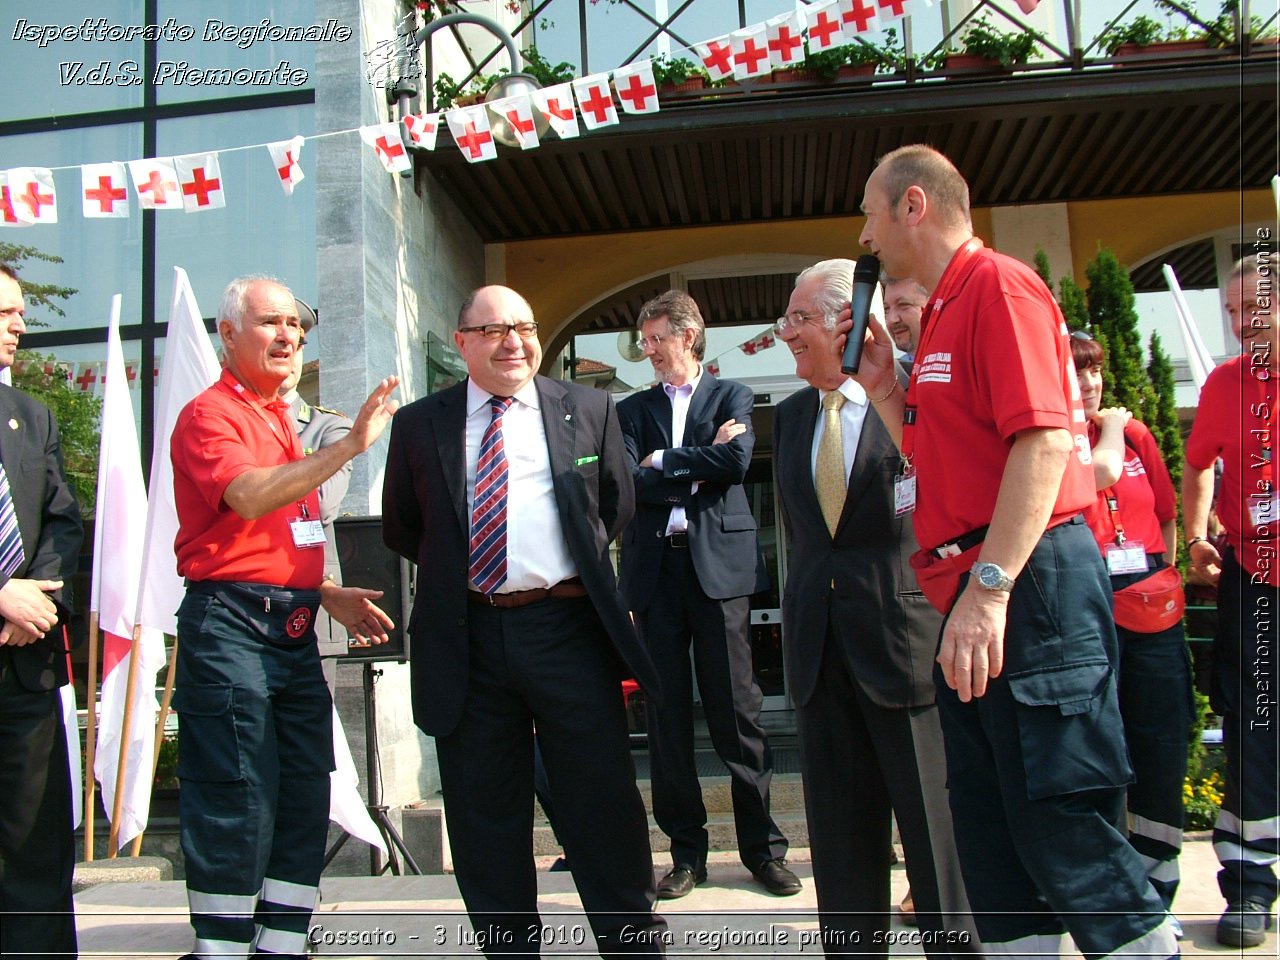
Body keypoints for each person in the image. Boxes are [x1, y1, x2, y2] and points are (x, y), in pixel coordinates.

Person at [849, 144, 1177, 957]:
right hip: (975, 592)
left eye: (869, 211)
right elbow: (940, 465)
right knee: (992, 833)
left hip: (1026, 587)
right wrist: (887, 389)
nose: (863, 235)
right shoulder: (943, 311)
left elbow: (1041, 446)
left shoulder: (999, 286)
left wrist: (990, 589)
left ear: (912, 205)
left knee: (1058, 817)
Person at [381, 285, 667, 956]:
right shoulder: (421, 423)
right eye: (493, 330)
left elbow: (613, 506)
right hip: (468, 635)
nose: (513, 341)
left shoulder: (590, 408)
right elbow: (406, 525)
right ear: (462, 343)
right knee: (485, 817)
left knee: (601, 804)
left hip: (567, 631)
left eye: (525, 327)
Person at [171, 276, 398, 960]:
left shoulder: (278, 416)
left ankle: (282, 943)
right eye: (271, 322)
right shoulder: (210, 414)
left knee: (305, 790)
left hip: (295, 627)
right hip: (231, 627)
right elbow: (246, 498)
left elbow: (276, 534)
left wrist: (325, 589)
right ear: (229, 334)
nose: (289, 337)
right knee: (238, 793)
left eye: (298, 327)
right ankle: (223, 949)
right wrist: (350, 447)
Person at [772, 260, 974, 957]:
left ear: (846, 324)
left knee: (936, 844)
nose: (786, 332)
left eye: (799, 318)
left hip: (905, 649)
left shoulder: (912, 398)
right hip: (819, 659)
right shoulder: (791, 415)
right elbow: (804, 537)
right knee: (840, 849)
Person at [615, 290, 798, 900]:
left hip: (719, 576)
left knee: (737, 714)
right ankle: (686, 854)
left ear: (688, 336)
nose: (648, 350)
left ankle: (763, 852)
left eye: (656, 339)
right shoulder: (631, 408)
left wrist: (664, 459)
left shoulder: (732, 395)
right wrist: (695, 462)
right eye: (644, 341)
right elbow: (626, 479)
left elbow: (739, 458)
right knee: (666, 719)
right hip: (655, 576)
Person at [1072, 331, 1193, 926]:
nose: (1090, 383)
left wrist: (1162, 574)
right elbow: (1096, 476)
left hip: (1149, 606)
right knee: (1101, 745)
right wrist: (1112, 430)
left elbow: (1167, 516)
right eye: (1077, 372)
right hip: (1089, 605)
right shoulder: (1064, 439)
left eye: (1095, 372)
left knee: (1159, 736)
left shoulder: (1141, 435)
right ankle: (1113, 881)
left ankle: (1159, 871)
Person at [1183, 255, 1279, 948]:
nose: (1242, 324)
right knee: (1255, 734)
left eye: (1255, 309)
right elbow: (1195, 465)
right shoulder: (1222, 384)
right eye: (1232, 312)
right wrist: (1195, 535)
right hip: (1254, 582)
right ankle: (1249, 889)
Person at [0, 263, 83, 959]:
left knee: (35, 853)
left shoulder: (34, 417)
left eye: (20, 311)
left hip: (23, 667)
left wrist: (34, 596)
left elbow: (63, 522)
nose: (20, 326)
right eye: (3, 313)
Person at [278, 302, 353, 680]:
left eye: (297, 346)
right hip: (236, 611)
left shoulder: (329, 429)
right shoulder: (221, 420)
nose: (288, 356)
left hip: (309, 606)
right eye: (278, 346)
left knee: (310, 738)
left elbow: (318, 504)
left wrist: (252, 489)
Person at [883, 276, 929, 368]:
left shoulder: (958, 363)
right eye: (886, 309)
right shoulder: (891, 371)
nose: (892, 319)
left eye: (903, 305)